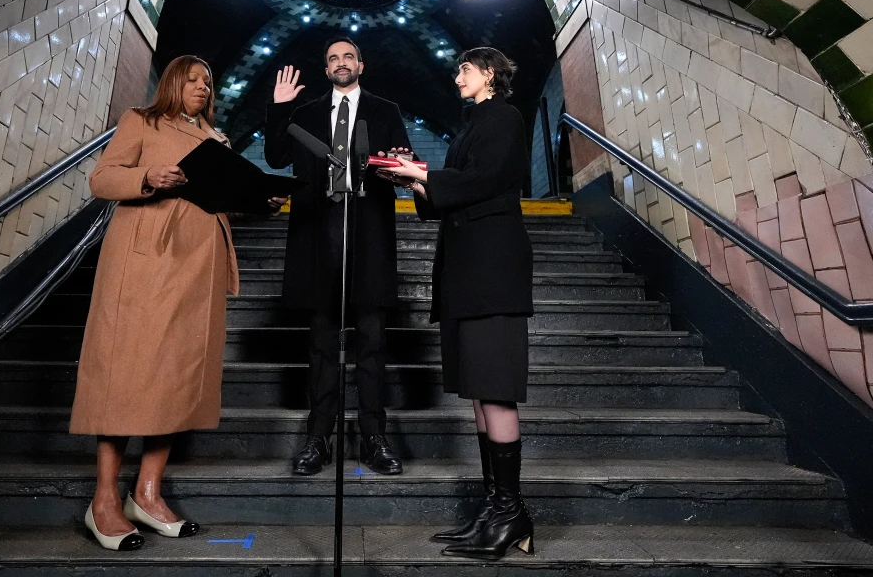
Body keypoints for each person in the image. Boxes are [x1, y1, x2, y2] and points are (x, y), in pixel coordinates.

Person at [70, 56, 241, 550]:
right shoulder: (141, 121)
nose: (203, 87)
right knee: (127, 372)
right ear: (172, 82)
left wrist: (256, 197)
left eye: (208, 81)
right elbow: (102, 178)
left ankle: (146, 493)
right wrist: (148, 175)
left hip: (198, 267)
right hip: (148, 262)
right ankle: (104, 499)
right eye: (193, 80)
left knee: (175, 376)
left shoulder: (217, 139)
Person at [387, 47, 535, 561]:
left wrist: (425, 173)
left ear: (489, 72)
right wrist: (414, 181)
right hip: (466, 272)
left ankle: (511, 513)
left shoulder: (505, 118)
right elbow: (444, 201)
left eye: (464, 69)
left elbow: (486, 180)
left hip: (493, 270)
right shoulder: (470, 126)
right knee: (478, 392)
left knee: (495, 391)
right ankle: (495, 510)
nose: (456, 77)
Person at [264, 36, 411, 476]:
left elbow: (403, 162)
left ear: (361, 65)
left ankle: (374, 438)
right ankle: (318, 438)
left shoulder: (386, 110)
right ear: (326, 70)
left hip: (369, 235)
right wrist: (279, 107)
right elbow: (275, 156)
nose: (341, 63)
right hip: (318, 236)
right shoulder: (306, 113)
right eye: (333, 58)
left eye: (348, 56)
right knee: (322, 344)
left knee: (372, 342)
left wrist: (400, 164)